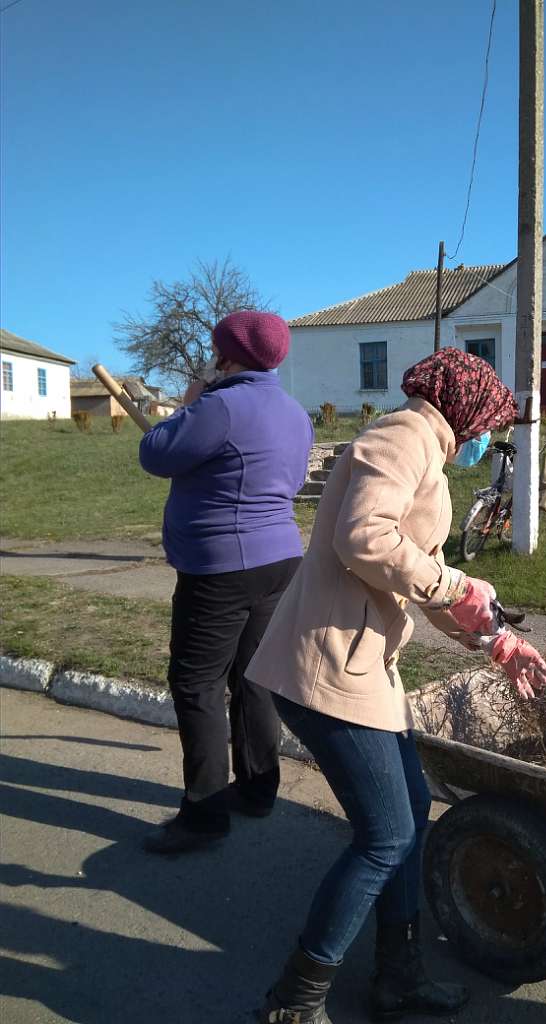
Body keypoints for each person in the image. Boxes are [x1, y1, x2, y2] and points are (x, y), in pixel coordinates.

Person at [243, 348, 546, 1023]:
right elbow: (365, 539)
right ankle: (295, 1001)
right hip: (326, 664)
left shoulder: (424, 451)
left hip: (359, 663)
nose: (483, 440)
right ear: (464, 412)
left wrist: (498, 638)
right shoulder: (402, 436)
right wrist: (456, 585)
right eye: (486, 425)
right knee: (385, 835)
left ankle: (398, 975)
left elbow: (423, 572)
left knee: (409, 816)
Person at [139, 310, 313, 854]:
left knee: (196, 684)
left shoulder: (218, 406)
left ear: (226, 353)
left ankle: (204, 815)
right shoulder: (293, 411)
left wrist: (190, 404)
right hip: (280, 558)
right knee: (254, 677)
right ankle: (259, 790)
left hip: (222, 567)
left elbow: (156, 454)